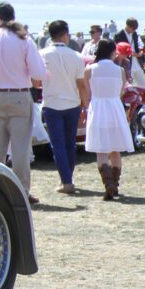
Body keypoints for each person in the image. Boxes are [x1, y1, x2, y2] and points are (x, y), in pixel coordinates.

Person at [0, 1, 47, 203]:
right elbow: (39, 73)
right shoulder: (23, 39)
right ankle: (21, 191)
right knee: (20, 148)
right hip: (18, 96)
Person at [39, 20, 89, 195]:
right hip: (72, 104)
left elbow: (36, 81)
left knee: (58, 145)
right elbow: (81, 85)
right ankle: (67, 177)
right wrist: (85, 107)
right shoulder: (76, 56)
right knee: (70, 144)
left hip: (52, 104)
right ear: (66, 34)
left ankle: (66, 180)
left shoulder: (42, 54)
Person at [84, 41, 134, 200]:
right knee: (115, 149)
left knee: (101, 149)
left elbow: (87, 91)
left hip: (98, 107)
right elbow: (120, 92)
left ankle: (108, 184)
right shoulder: (120, 71)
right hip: (115, 108)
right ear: (112, 52)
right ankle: (115, 183)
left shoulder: (89, 70)